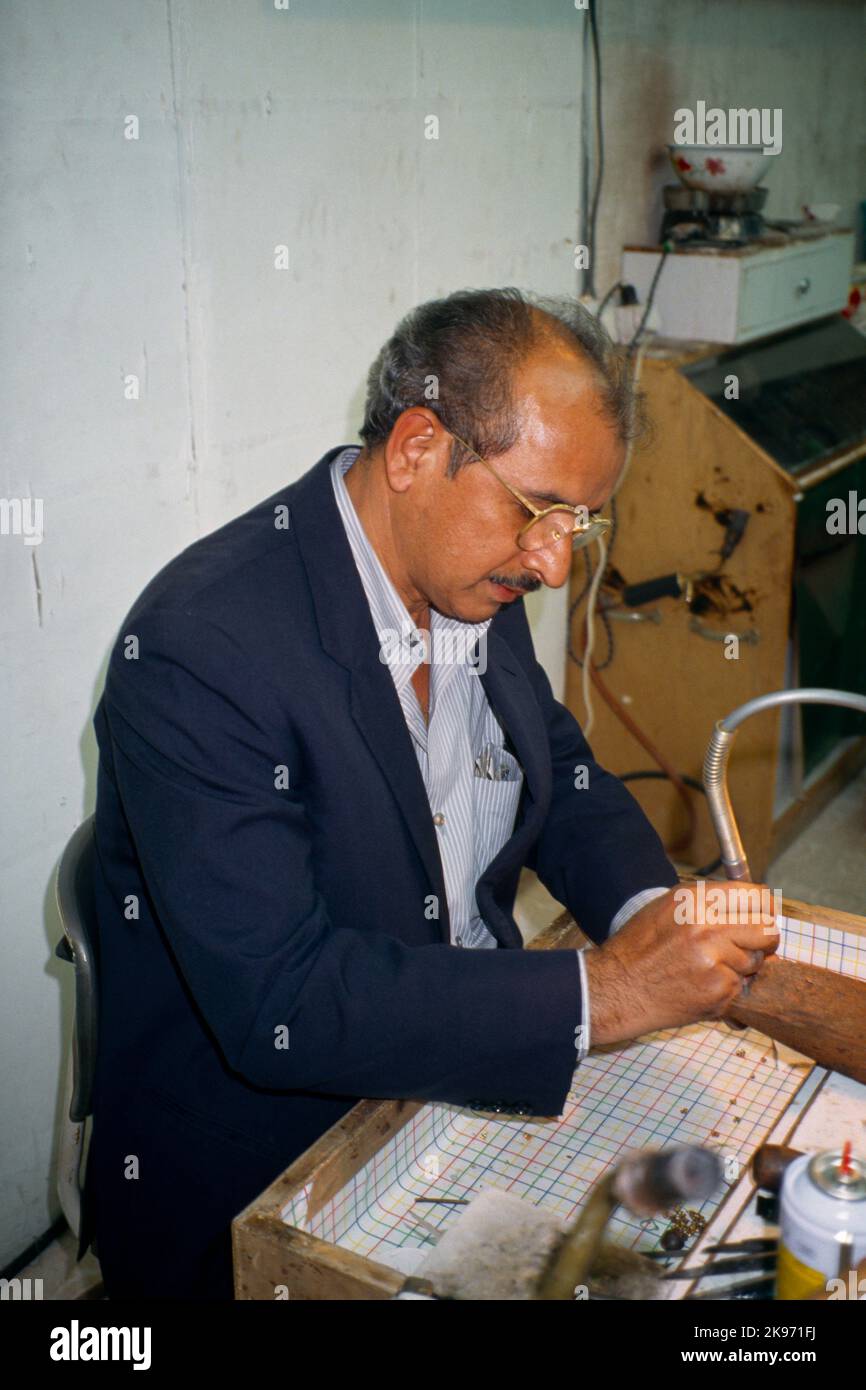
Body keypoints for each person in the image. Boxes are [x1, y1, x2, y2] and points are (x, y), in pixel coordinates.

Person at [84, 288, 777, 1299]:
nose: (550, 563)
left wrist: (646, 914)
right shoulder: (203, 648)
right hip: (273, 1156)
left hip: (458, 1062)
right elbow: (281, 1001)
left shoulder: (464, 568)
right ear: (414, 449)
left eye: (578, 523)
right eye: (538, 513)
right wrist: (609, 990)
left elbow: (559, 768)